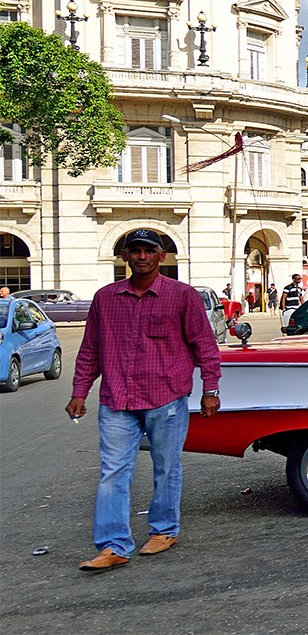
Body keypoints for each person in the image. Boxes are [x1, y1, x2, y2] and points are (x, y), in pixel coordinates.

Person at [65, 228, 222, 571]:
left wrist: (211, 390)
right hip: (116, 399)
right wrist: (80, 391)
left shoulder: (182, 296)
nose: (141, 256)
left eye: (148, 251)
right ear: (124, 257)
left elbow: (205, 346)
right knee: (112, 472)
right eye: (133, 250)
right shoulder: (106, 298)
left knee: (166, 467)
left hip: (165, 397)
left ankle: (164, 530)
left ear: (161, 256)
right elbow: (90, 349)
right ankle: (114, 545)